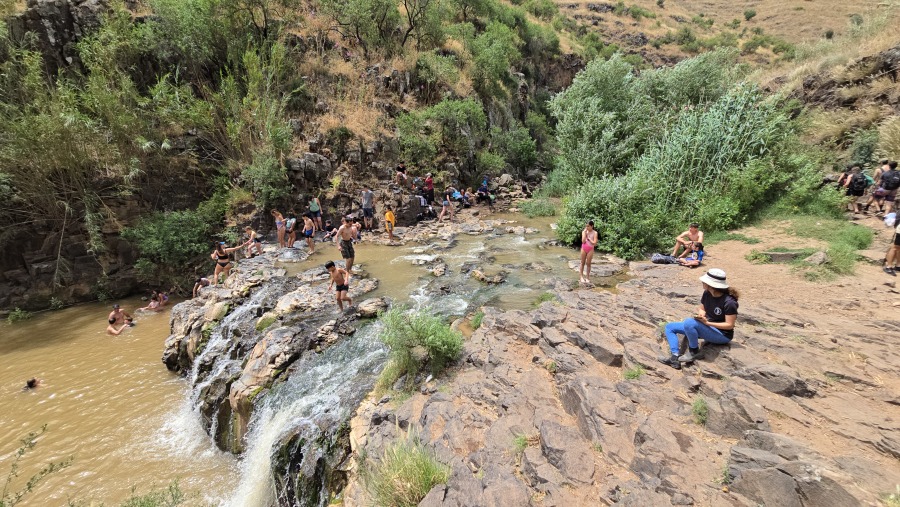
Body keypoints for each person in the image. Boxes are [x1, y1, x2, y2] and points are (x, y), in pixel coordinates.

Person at [658, 268, 739, 370]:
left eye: (704, 281)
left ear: (711, 284)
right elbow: (702, 309)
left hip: (722, 335)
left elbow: (729, 325)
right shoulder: (707, 293)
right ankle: (674, 358)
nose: (702, 282)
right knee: (670, 327)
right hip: (707, 327)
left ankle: (693, 351)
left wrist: (708, 323)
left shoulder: (729, 302)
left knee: (689, 322)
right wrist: (701, 316)